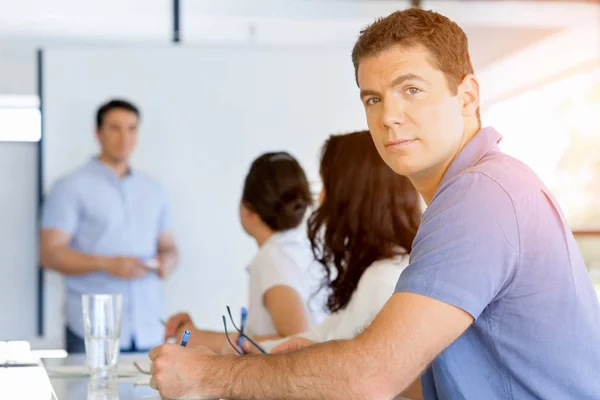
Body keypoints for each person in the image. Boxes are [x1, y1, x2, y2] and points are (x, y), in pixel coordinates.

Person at [148, 8, 600, 400]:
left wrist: (206, 375)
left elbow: (370, 377)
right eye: (373, 98)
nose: (388, 116)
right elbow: (444, 380)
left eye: (412, 89)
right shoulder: (480, 187)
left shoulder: (481, 195)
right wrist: (314, 361)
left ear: (467, 96)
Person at [252, 131, 420, 354]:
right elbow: (318, 337)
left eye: (326, 185)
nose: (320, 198)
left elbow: (336, 367)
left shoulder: (382, 281)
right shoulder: (376, 273)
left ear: (351, 195)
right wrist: (235, 350)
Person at [40, 99, 179, 353]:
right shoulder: (70, 186)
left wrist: (168, 261)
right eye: (115, 128)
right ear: (98, 133)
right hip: (92, 331)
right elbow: (50, 253)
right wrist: (108, 264)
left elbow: (168, 245)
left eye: (131, 128)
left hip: (149, 328)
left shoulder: (153, 189)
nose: (124, 137)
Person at [163, 151, 328, 353]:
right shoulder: (306, 249)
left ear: (247, 208)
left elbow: (297, 340)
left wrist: (194, 337)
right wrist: (193, 333)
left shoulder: (272, 257)